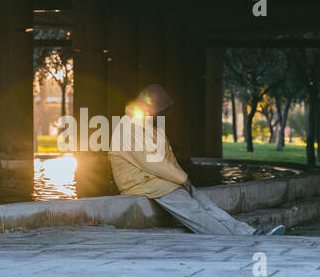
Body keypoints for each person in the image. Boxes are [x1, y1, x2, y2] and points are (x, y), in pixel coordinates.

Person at [109, 84, 285, 236]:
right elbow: (153, 162)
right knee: (195, 212)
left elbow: (165, 160)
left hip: (160, 181)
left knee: (207, 205)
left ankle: (248, 233)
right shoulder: (130, 127)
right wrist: (182, 179)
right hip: (144, 183)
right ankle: (236, 239)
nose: (159, 115)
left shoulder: (144, 126)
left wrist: (183, 181)